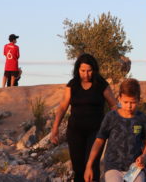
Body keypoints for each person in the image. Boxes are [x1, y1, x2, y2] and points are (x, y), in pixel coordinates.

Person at [50, 54, 117, 182]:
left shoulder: (101, 84)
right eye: (83, 71)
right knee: (78, 168)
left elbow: (114, 106)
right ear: (77, 70)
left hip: (96, 132)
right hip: (75, 132)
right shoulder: (72, 85)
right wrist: (55, 128)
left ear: (94, 70)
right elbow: (63, 106)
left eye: (89, 71)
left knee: (92, 165)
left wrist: (118, 126)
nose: (86, 74)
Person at [84, 79, 146, 182]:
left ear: (139, 99)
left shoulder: (142, 118)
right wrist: (89, 166)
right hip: (113, 167)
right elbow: (99, 141)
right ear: (119, 98)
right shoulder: (111, 117)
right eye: (126, 102)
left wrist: (143, 156)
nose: (129, 106)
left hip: (135, 168)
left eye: (133, 102)